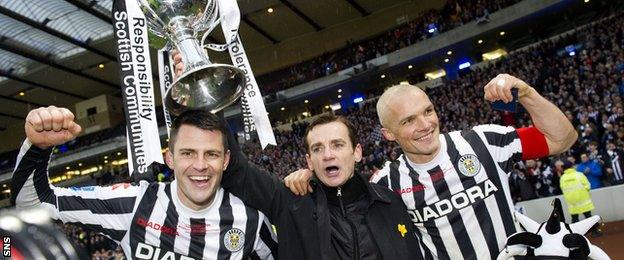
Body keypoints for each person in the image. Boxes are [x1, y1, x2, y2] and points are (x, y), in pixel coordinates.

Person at [285, 74, 577, 259]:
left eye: (428, 111)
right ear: (389, 134)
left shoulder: (484, 142)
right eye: (408, 120)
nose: (425, 125)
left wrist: (526, 94)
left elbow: (562, 139)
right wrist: (308, 177)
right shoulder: (386, 183)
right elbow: (340, 196)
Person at [11, 106, 277, 259]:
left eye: (211, 154)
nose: (200, 165)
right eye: (187, 153)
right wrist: (37, 147)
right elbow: (35, 204)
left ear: (226, 160)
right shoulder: (133, 203)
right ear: (169, 158)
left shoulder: (250, 218)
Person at [221, 114, 426, 259]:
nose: (328, 155)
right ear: (309, 161)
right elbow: (235, 170)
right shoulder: (290, 201)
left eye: (337, 145)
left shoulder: (389, 201)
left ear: (357, 152)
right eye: (318, 149)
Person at [559, 161, 602, 237]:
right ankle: (594, 232)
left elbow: (563, 189)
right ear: (572, 167)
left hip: (572, 202)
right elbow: (588, 185)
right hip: (583, 200)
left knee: (575, 219)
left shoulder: (563, 178)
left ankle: (575, 235)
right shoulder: (579, 175)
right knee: (588, 217)